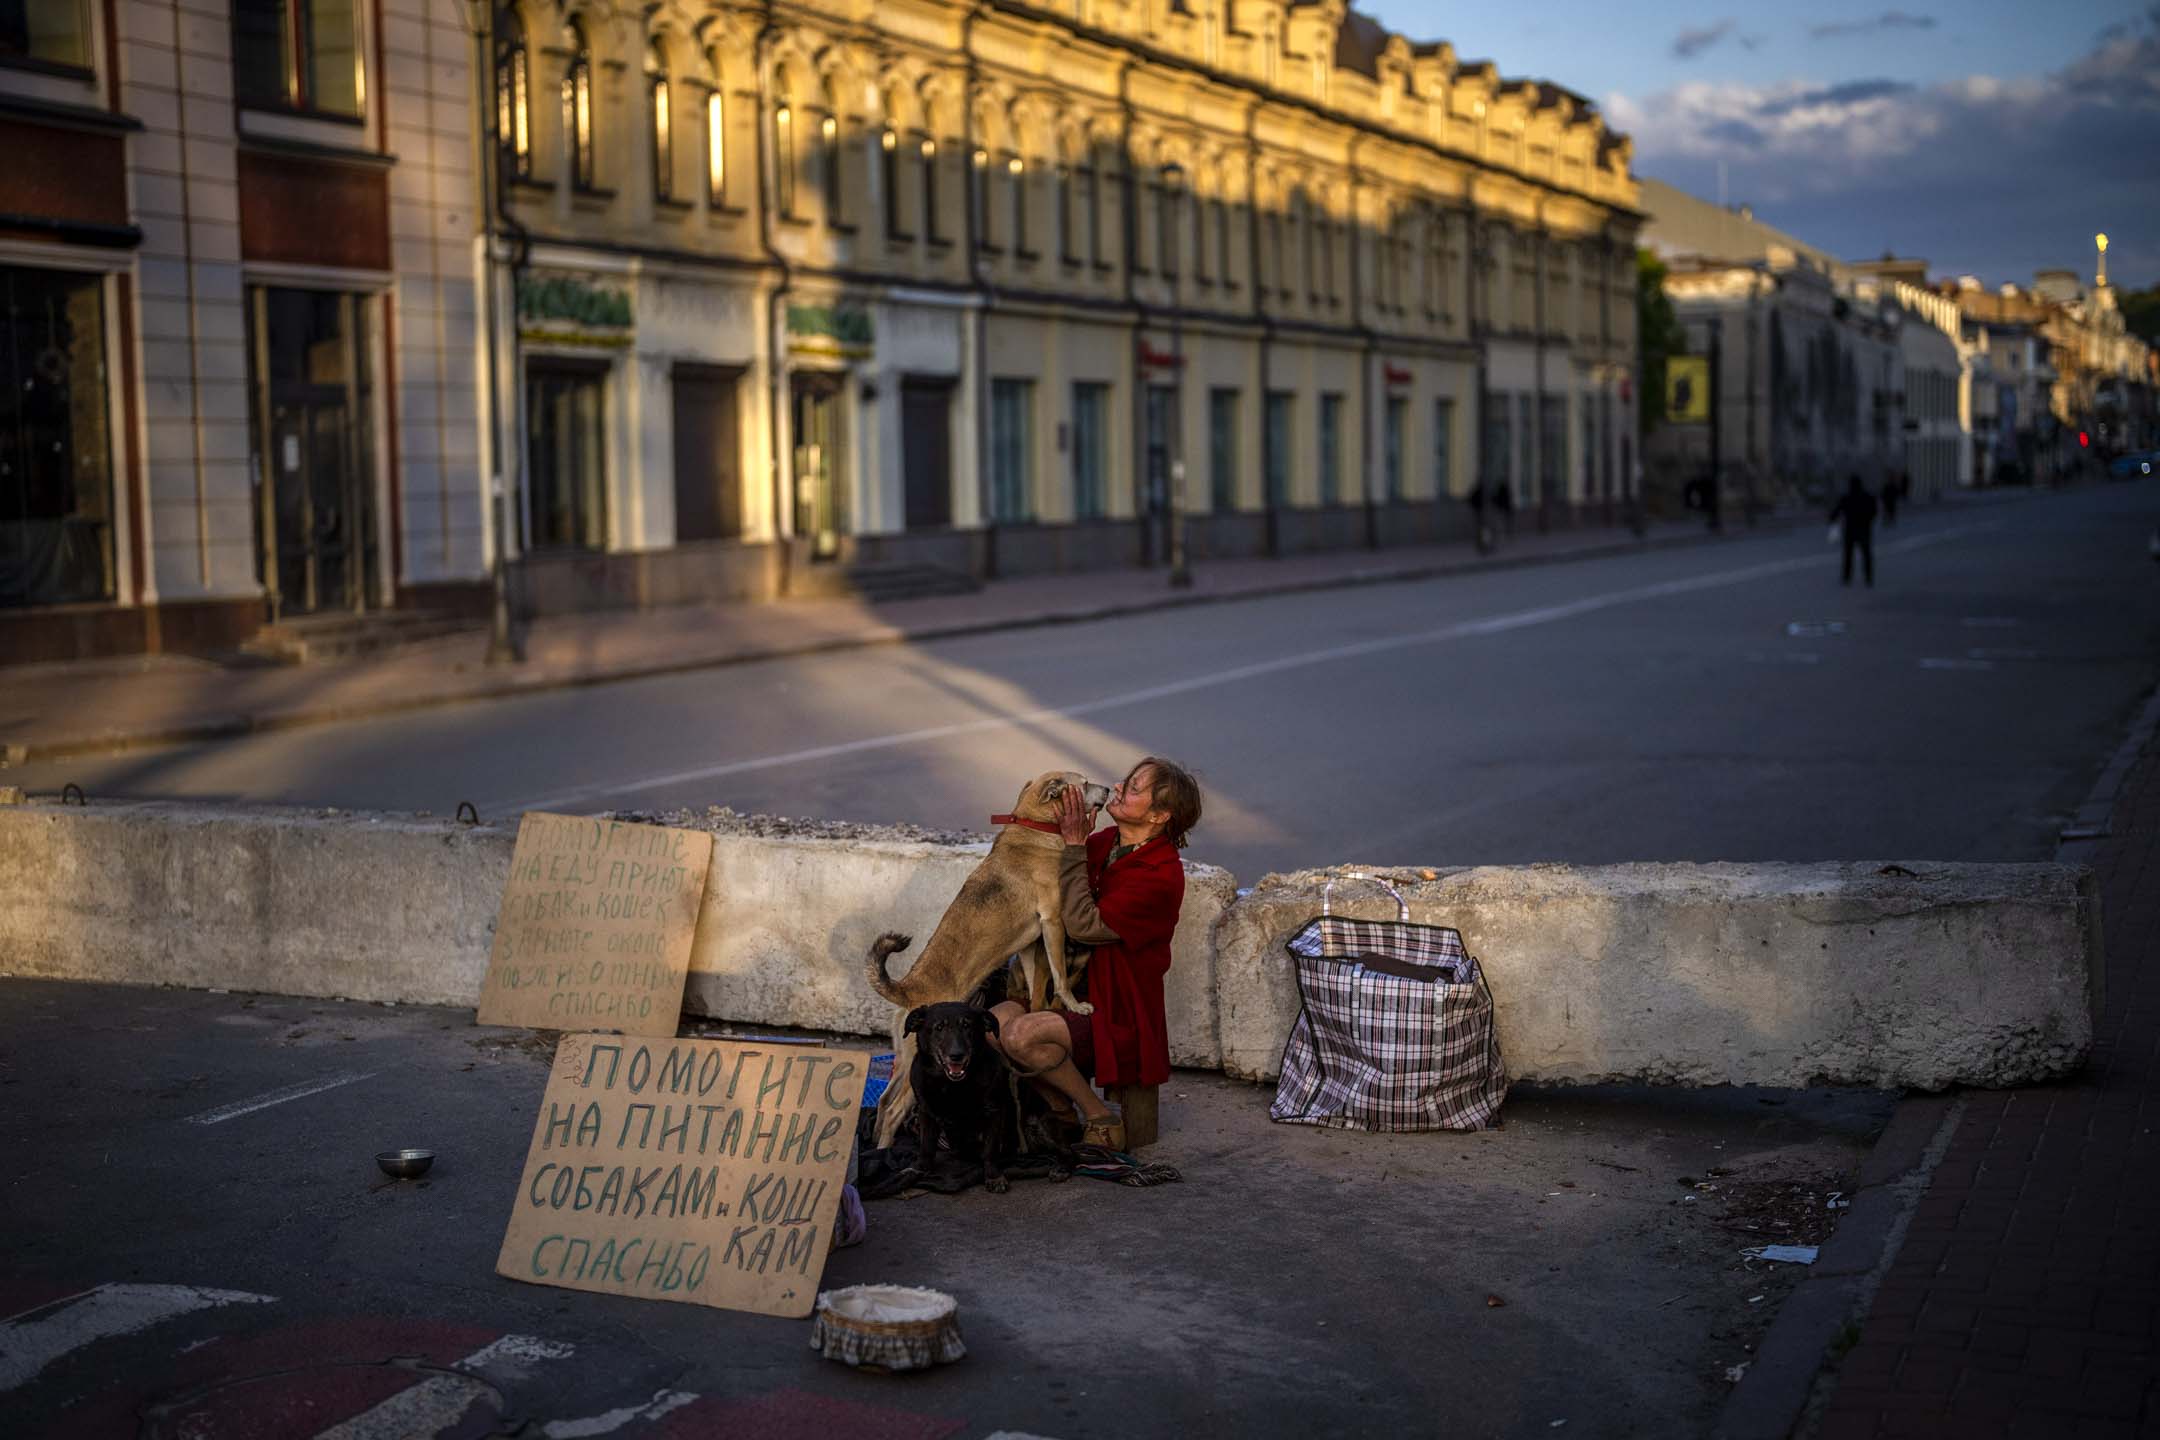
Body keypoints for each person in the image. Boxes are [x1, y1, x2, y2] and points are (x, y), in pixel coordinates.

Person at [986, 756, 1201, 1150]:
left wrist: (1071, 848)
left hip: (1113, 1007)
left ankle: (1100, 1117)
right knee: (987, 1027)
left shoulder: (1160, 875)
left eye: (1133, 789)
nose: (1117, 788)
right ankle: (1061, 1110)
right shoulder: (1102, 843)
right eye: (1125, 782)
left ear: (1159, 816)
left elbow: (1084, 925)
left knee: (1020, 1036)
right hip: (1061, 987)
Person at [1829, 473, 1878, 587]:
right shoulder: (1867, 497)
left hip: (1850, 529)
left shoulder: (1847, 497)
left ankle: (1847, 577)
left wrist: (1832, 518)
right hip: (1864, 528)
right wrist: (1868, 520)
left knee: (1848, 555)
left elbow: (1837, 510)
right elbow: (1874, 511)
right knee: (1866, 554)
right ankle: (1868, 576)